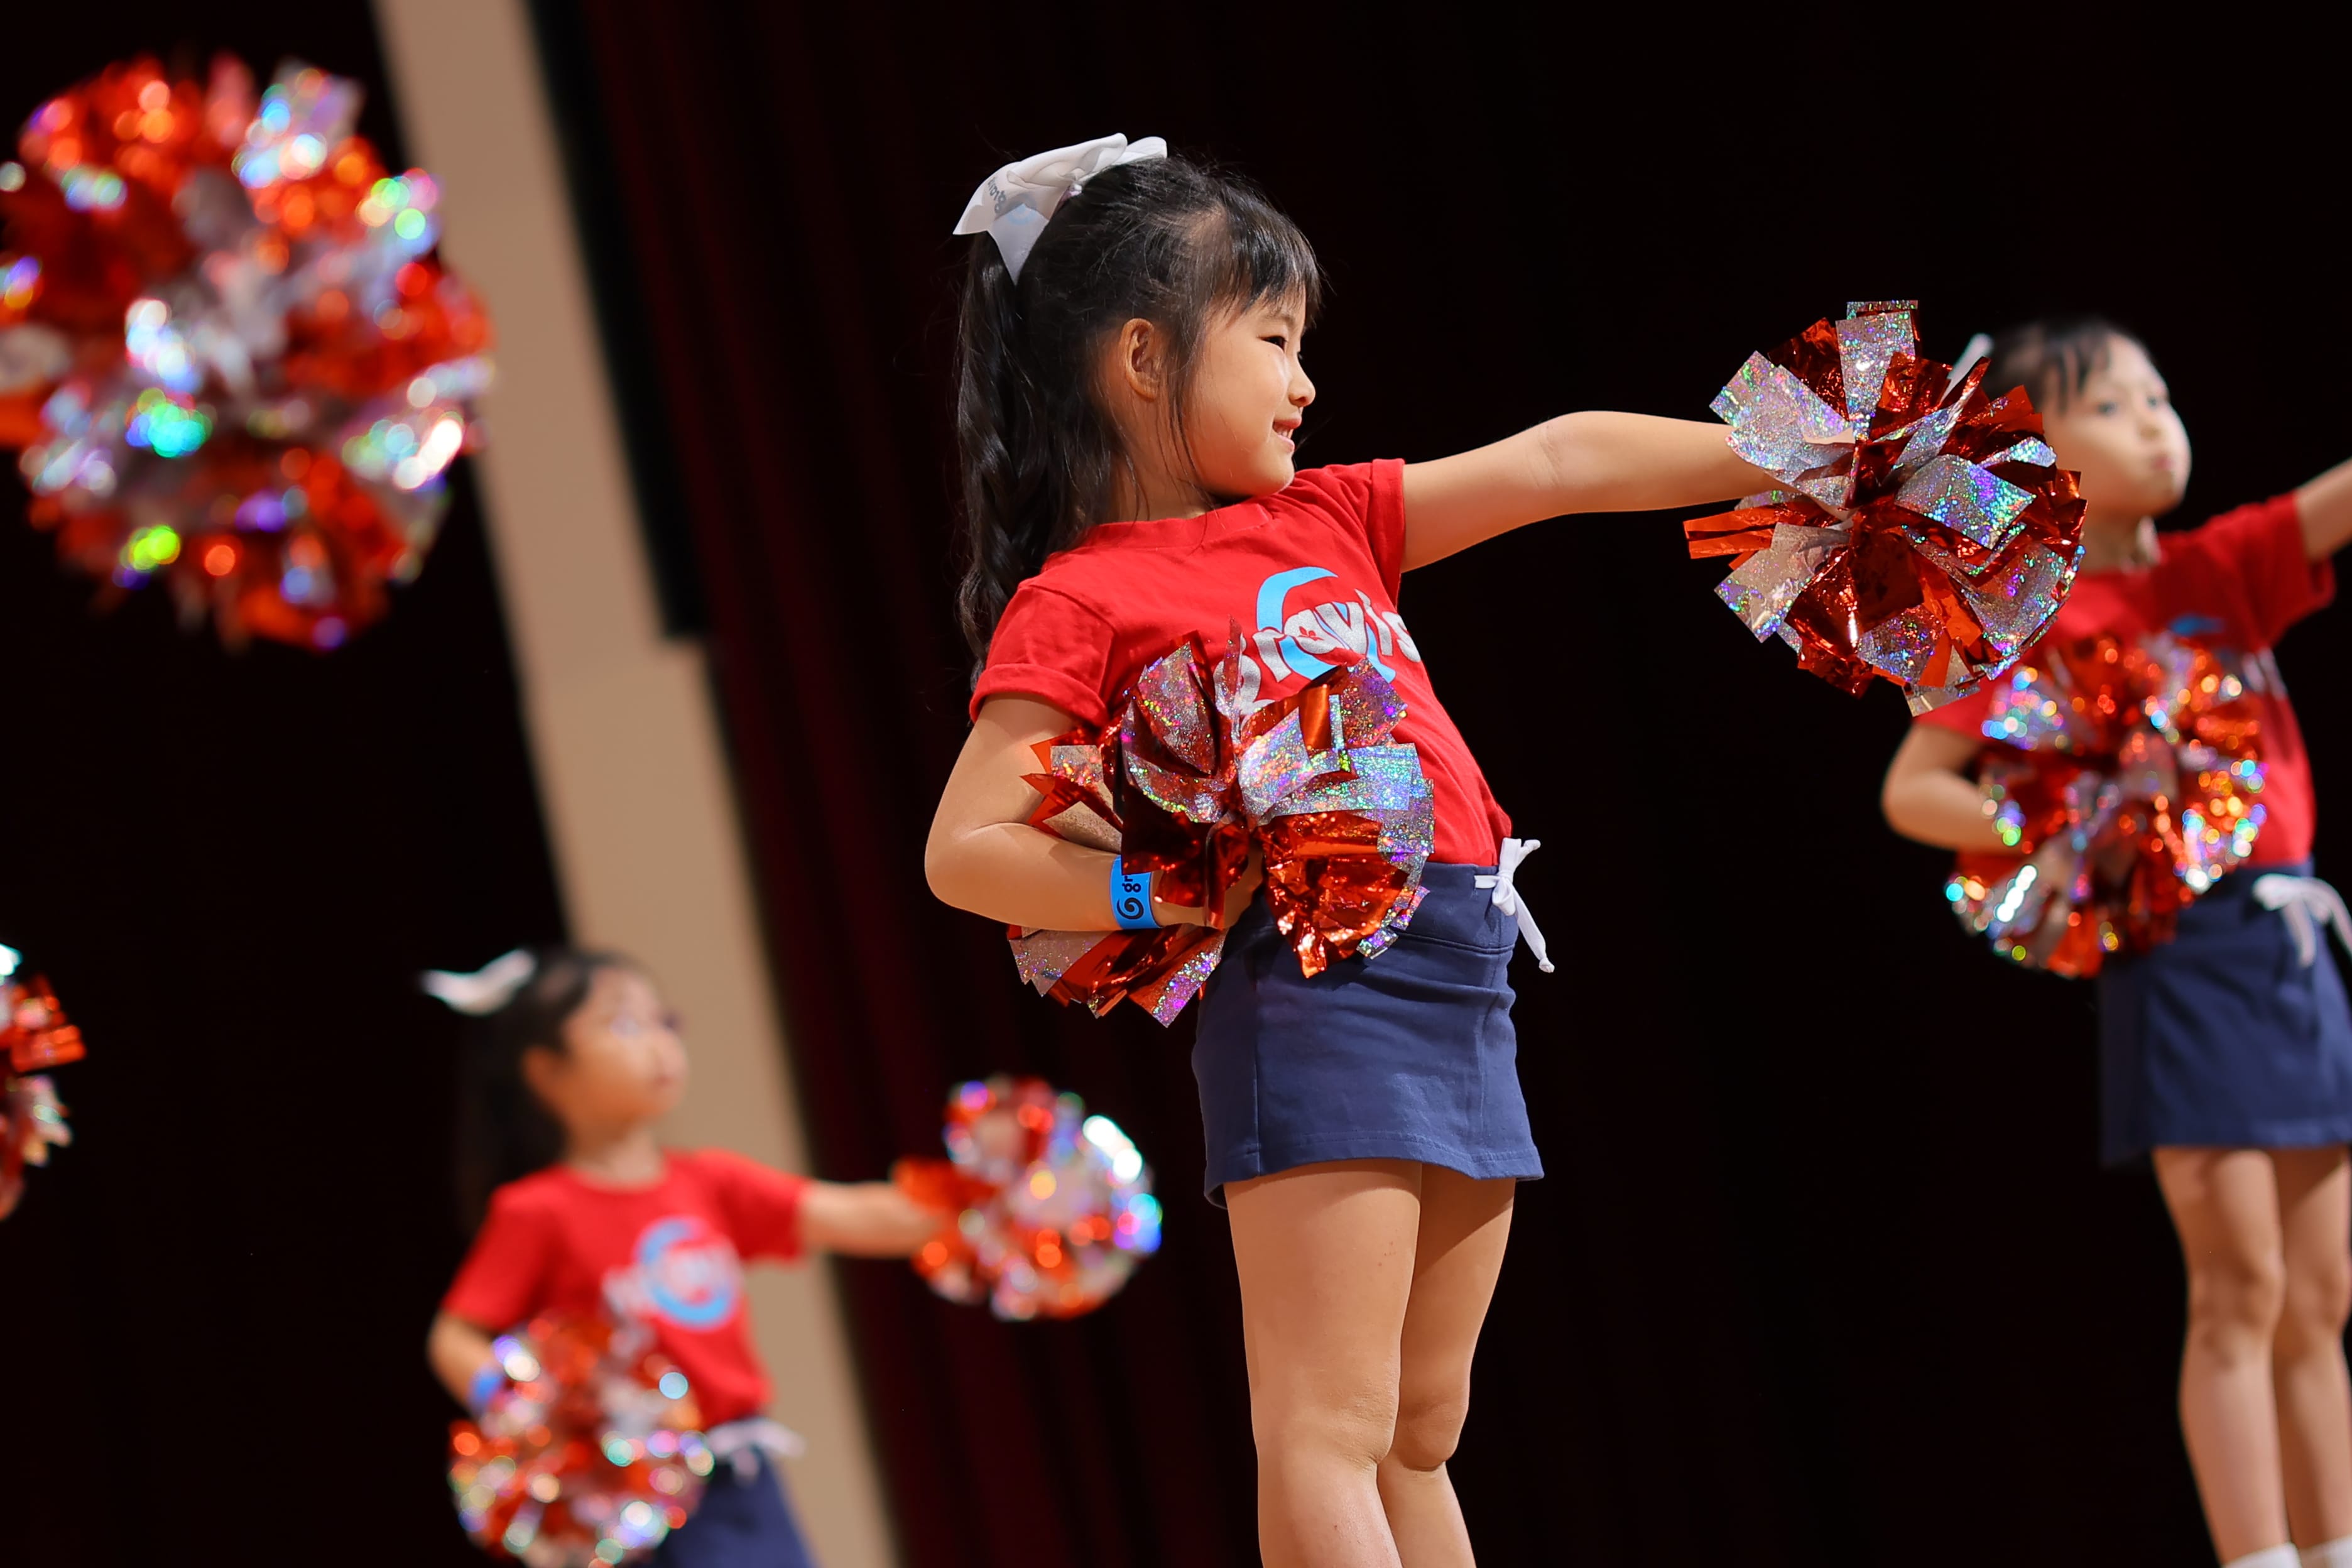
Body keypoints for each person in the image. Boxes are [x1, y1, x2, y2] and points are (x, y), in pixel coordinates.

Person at [923, 134, 1772, 1567]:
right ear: (1143, 357)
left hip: (1460, 963)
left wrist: (1798, 458)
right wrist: (1161, 886)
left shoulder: (1323, 517)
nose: (1302, 380)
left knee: (1416, 1426)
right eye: (1271, 340)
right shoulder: (1079, 597)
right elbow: (966, 847)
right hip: (1317, 990)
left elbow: (1557, 460)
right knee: (1321, 1424)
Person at [1883, 318, 2352, 1568]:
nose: (2156, 421)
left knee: (2324, 1292)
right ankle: (2260, 1557)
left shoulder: (2222, 568)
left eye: (2161, 397)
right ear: (2040, 451)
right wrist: (2054, 820)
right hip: (2177, 952)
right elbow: (1914, 787)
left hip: (2291, 946)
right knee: (2241, 1282)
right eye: (2115, 406)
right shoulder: (2034, 620)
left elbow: (2334, 501)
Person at [423, 947, 947, 1568]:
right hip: (628, 1492)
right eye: (622, 1024)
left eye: (663, 1022)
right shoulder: (538, 1211)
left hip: (739, 1476)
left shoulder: (709, 1183)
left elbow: (847, 1214)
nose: (657, 1044)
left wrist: (978, 1202)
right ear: (547, 1073)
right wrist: (538, 1405)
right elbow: (455, 1336)